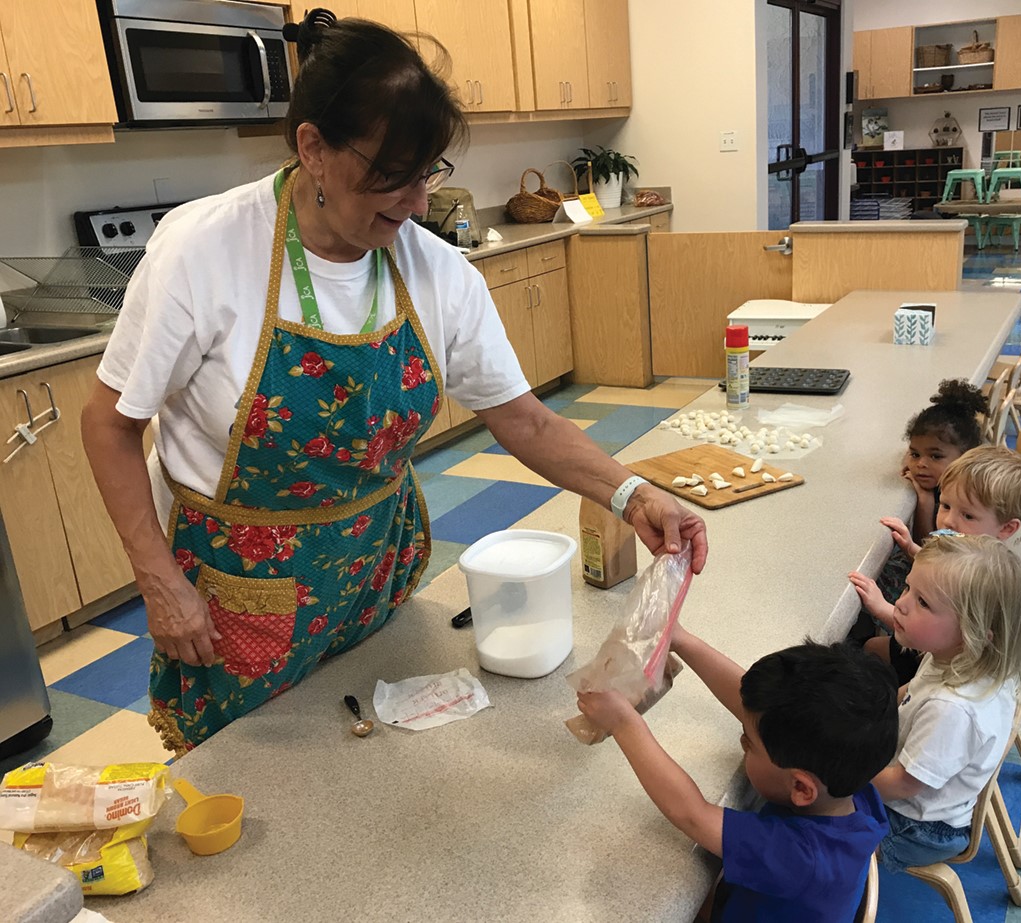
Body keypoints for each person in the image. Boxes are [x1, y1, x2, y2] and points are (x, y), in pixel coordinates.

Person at [80, 12, 706, 755]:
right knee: (250, 788)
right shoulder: (205, 252)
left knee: (376, 775)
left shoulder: (434, 269)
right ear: (312, 147)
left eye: (426, 175)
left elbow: (524, 419)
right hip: (243, 598)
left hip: (376, 570)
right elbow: (108, 425)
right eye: (390, 176)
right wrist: (159, 582)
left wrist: (631, 493)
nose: (415, 204)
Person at [577, 629, 898, 922]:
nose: (741, 740)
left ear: (801, 787)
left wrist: (623, 723)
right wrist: (682, 640)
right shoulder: (852, 786)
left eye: (748, 742)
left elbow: (692, 815)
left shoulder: (799, 856)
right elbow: (756, 711)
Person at [870, 533, 1021, 873]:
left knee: (816, 825)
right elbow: (909, 692)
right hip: (924, 800)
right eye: (908, 588)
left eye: (923, 602)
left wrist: (839, 776)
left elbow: (903, 784)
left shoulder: (953, 709)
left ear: (975, 632)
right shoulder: (958, 657)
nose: (901, 604)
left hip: (917, 828)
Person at [851, 445, 1021, 675]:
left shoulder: (982, 581)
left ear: (1007, 528)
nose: (948, 521)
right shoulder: (973, 551)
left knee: (870, 648)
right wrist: (911, 547)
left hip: (944, 665)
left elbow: (930, 629)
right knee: (872, 647)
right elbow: (945, 575)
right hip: (938, 651)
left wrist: (881, 608)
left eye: (968, 515)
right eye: (945, 505)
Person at [848, 379, 987, 683]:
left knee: (872, 591)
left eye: (935, 456)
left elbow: (933, 548)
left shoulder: (966, 510)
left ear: (966, 457)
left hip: (934, 659)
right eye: (914, 454)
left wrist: (924, 501)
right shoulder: (963, 485)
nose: (921, 464)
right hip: (943, 634)